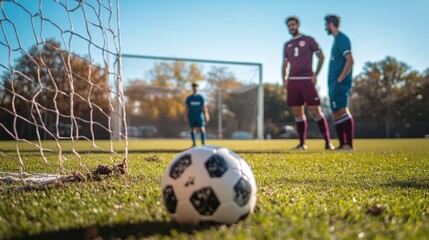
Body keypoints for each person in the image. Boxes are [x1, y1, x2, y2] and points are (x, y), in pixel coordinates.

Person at [282, 16, 334, 150]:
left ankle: (328, 142)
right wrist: (285, 79)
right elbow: (285, 64)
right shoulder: (287, 45)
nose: (291, 27)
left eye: (293, 25)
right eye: (289, 26)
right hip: (293, 81)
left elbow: (321, 56)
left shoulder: (309, 40)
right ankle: (301, 144)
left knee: (315, 110)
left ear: (298, 25)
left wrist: (315, 74)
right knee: (297, 112)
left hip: (306, 80)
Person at [325, 15, 355, 150]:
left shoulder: (342, 38)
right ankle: (343, 144)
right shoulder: (336, 40)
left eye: (326, 24)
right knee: (336, 112)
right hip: (333, 84)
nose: (325, 27)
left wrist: (340, 79)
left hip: (339, 83)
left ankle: (349, 144)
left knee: (342, 110)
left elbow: (350, 60)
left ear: (330, 24)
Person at [185, 82, 210, 147]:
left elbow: (204, 106)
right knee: (192, 129)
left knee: (202, 128)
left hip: (199, 116)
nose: (195, 88)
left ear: (197, 88)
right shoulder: (189, 98)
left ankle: (203, 143)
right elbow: (187, 107)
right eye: (194, 87)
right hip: (192, 116)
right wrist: (186, 115)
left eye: (196, 87)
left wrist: (206, 115)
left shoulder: (200, 97)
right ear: (192, 88)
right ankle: (194, 143)